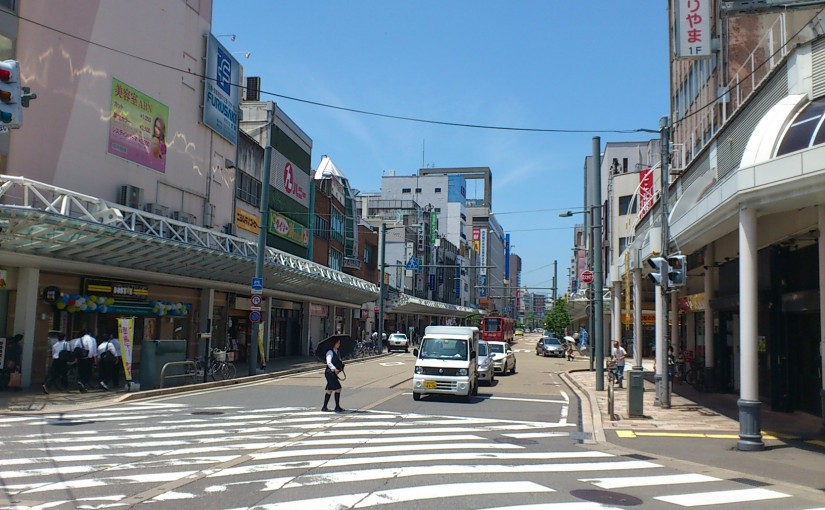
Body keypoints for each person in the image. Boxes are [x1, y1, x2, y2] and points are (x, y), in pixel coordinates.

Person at [321, 338, 345, 413]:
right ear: (334, 343)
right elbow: (328, 362)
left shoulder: (337, 352)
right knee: (338, 388)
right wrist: (334, 368)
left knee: (330, 390)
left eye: (339, 343)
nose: (339, 344)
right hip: (329, 372)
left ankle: (324, 407)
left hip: (334, 373)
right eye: (338, 343)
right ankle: (337, 407)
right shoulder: (330, 352)